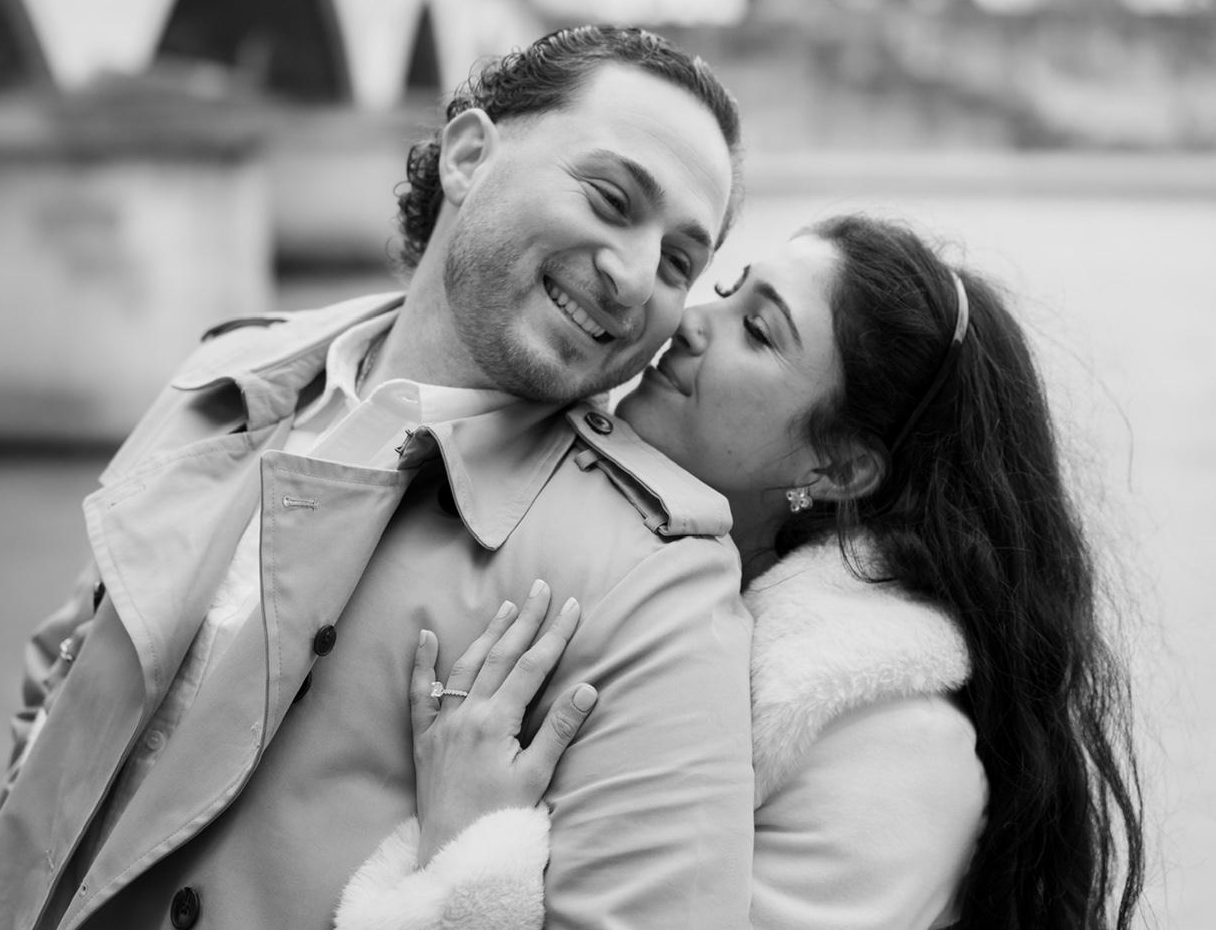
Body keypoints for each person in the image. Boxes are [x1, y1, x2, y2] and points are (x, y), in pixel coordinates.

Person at [0, 26, 760, 930]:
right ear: (468, 156)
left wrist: (469, 881)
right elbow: (59, 676)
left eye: (680, 262)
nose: (636, 277)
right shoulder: (226, 375)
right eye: (611, 200)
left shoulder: (657, 582)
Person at [334, 214, 1147, 930]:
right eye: (726, 289)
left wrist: (472, 849)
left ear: (838, 469)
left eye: (757, 331)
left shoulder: (895, 748)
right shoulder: (623, 562)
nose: (689, 321)